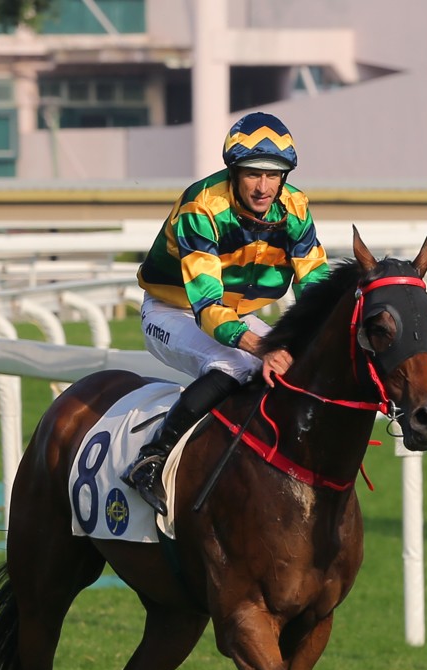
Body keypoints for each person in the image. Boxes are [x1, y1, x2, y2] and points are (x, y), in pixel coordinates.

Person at [120, 112, 329, 515]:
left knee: (295, 368)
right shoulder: (203, 207)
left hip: (234, 312)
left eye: (274, 175)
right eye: (253, 174)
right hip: (173, 310)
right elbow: (209, 308)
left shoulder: (296, 207)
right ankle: (152, 457)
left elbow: (315, 288)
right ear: (234, 171)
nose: (264, 187)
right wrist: (265, 346)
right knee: (232, 362)